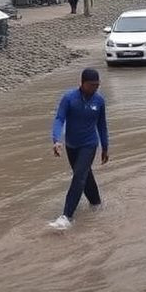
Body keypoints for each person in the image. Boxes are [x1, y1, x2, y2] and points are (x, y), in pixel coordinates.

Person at [48, 68, 109, 230]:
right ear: (81, 83)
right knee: (85, 175)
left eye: (97, 85)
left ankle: (66, 216)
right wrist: (56, 140)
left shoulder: (99, 101)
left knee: (79, 176)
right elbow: (59, 119)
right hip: (72, 145)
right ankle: (96, 204)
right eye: (91, 85)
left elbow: (102, 125)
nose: (94, 88)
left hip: (89, 144)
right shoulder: (69, 98)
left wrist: (105, 146)